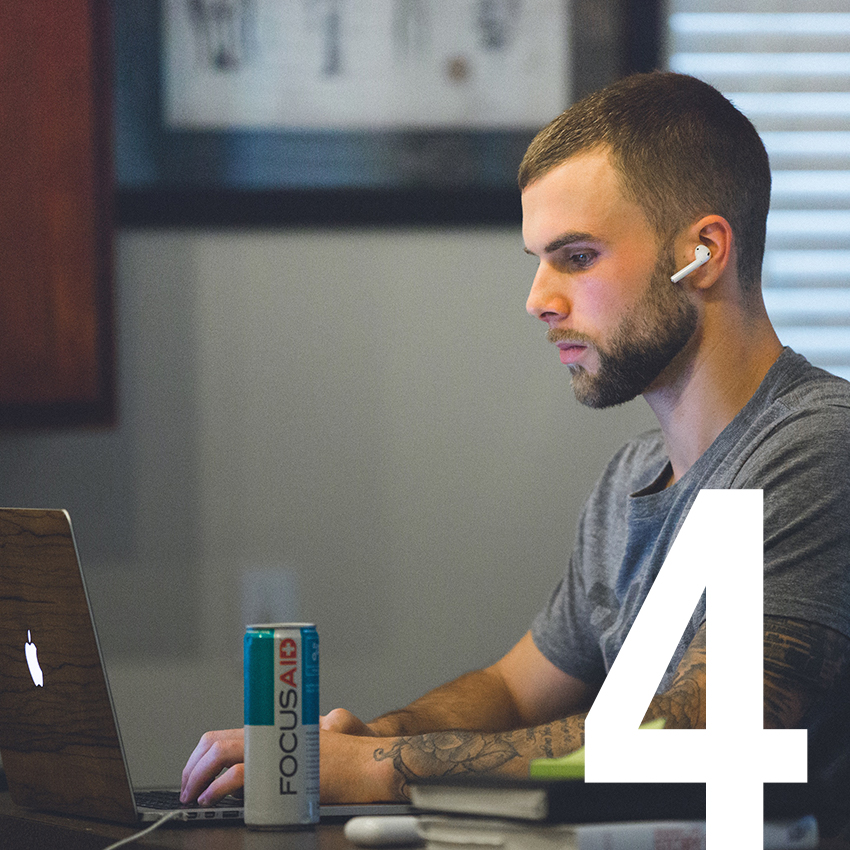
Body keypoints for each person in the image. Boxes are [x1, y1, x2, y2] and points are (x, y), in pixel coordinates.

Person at [180, 72, 850, 834]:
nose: (538, 299)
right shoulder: (632, 480)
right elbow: (512, 689)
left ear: (702, 252)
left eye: (576, 257)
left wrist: (377, 772)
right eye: (538, 258)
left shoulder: (819, 446)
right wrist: (379, 736)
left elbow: (710, 738)